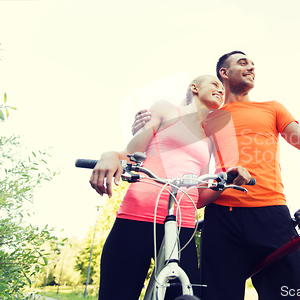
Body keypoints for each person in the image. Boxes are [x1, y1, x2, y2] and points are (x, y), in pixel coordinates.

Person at [132, 51, 300, 300]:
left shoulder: (272, 108)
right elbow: (170, 139)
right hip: (221, 219)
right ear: (223, 73)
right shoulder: (208, 116)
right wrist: (146, 125)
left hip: (271, 215)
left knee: (290, 294)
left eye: (252, 64)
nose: (250, 66)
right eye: (242, 62)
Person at [89, 74, 251, 300]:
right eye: (214, 84)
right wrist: (109, 155)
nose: (220, 90)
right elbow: (132, 153)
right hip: (138, 215)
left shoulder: (209, 139)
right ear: (194, 87)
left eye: (221, 88)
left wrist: (225, 183)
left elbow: (197, 195)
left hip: (182, 226)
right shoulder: (166, 109)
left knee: (181, 296)